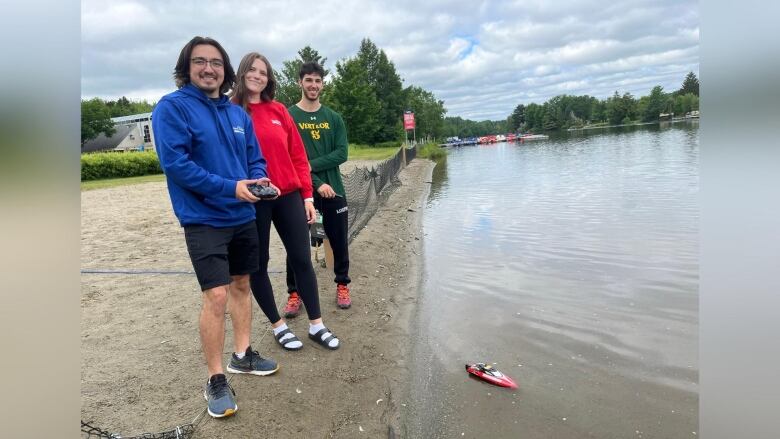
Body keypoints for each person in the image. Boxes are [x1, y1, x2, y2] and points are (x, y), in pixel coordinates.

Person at [152, 36, 279, 419]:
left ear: (226, 70)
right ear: (186, 68)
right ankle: (216, 378)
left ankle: (242, 355)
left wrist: (259, 180)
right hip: (204, 218)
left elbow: (254, 158)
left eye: (216, 63)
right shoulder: (172, 108)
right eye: (199, 62)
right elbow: (177, 165)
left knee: (243, 285)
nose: (209, 68)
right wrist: (231, 188)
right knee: (217, 296)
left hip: (243, 215)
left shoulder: (237, 114)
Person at [230, 52, 340, 351]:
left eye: (263, 72)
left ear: (269, 78)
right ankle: (278, 326)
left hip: (288, 195)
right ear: (241, 73)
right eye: (252, 70)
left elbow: (298, 156)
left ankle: (316, 324)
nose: (257, 76)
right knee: (259, 264)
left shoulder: (278, 110)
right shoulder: (228, 111)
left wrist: (307, 194)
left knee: (302, 259)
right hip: (253, 200)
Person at [283, 61, 352, 316]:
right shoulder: (288, 115)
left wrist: (309, 165)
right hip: (300, 193)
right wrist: (315, 182)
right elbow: (288, 157)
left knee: (339, 241)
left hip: (334, 191)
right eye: (308, 80)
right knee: (297, 245)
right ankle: (294, 292)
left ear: (322, 84)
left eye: (318, 81)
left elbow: (341, 153)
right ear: (299, 82)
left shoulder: (332, 118)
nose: (313, 85)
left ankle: (343, 284)